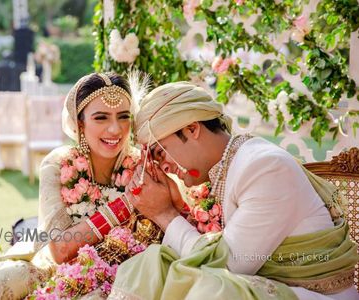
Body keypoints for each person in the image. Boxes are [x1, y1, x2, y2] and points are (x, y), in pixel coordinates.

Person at [0, 72, 161, 299]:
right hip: (57, 268)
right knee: (8, 281)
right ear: (80, 123)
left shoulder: (143, 167)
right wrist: (126, 203)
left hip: (127, 273)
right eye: (101, 117)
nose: (115, 129)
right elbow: (59, 249)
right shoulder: (57, 164)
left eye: (123, 117)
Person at [109, 82, 358, 299]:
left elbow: (229, 265)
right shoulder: (230, 166)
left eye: (161, 152)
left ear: (192, 129)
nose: (164, 166)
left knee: (213, 291)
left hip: (312, 294)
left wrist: (164, 214)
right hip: (270, 286)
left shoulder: (263, 167)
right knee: (152, 263)